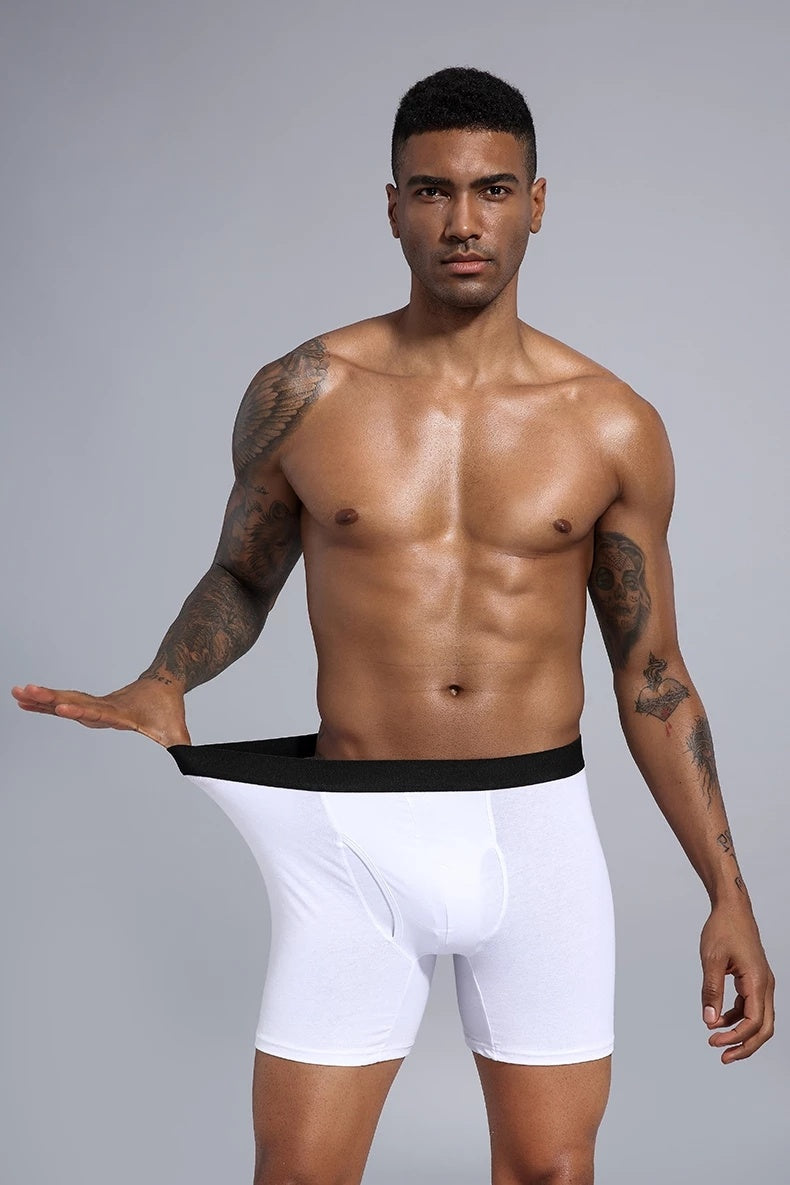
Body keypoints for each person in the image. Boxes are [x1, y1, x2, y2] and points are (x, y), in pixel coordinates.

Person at [12, 66, 775, 1185]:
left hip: (536, 838)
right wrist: (165, 677)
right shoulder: (304, 393)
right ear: (392, 206)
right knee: (299, 1175)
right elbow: (242, 575)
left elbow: (652, 671)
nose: (463, 221)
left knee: (553, 1173)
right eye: (432, 191)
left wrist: (727, 894)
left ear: (536, 203)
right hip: (351, 844)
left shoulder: (612, 425)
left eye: (492, 190)